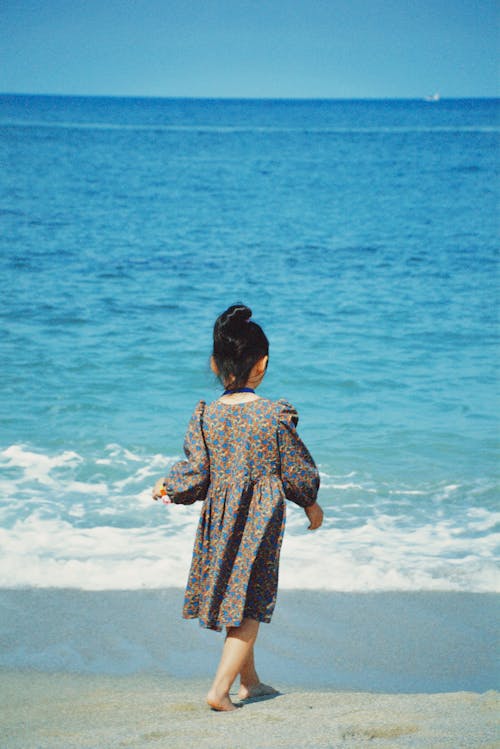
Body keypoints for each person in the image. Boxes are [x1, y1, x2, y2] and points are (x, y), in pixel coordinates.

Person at [152, 303, 323, 711]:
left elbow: (197, 472)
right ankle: (219, 690)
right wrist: (310, 502)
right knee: (251, 606)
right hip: (261, 518)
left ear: (215, 364)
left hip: (221, 519)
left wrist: (169, 487)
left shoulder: (206, 416)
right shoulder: (272, 414)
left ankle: (251, 683)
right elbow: (296, 467)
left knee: (237, 595)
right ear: (261, 365)